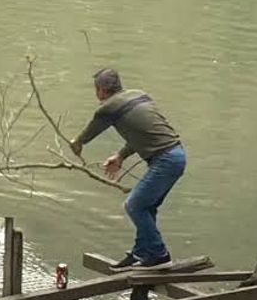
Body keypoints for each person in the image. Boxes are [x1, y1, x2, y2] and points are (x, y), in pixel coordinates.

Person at [70, 68, 186, 271]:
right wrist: (120, 156)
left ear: (102, 89)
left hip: (165, 160)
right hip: (176, 155)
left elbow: (88, 134)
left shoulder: (108, 108)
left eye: (96, 89)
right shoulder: (139, 95)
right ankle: (142, 251)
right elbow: (144, 133)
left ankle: (159, 254)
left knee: (134, 205)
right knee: (147, 208)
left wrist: (77, 143)